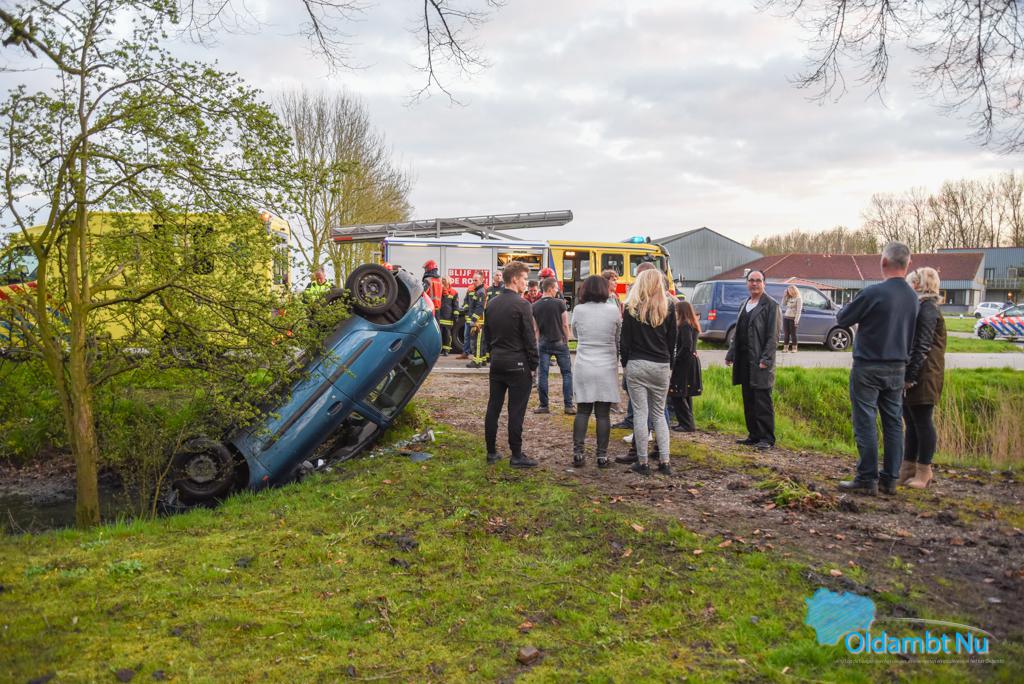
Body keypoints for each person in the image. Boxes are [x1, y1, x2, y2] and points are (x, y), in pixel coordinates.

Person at [836, 242, 919, 496]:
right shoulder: (912, 297)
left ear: (883, 262)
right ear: (908, 264)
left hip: (869, 365)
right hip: (898, 367)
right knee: (894, 423)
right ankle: (890, 479)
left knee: (866, 421)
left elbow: (843, 318)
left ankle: (867, 478)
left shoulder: (873, 293)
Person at [618, 268, 675, 476]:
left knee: (640, 414)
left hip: (637, 364)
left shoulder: (631, 308)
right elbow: (673, 341)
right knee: (659, 414)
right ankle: (665, 461)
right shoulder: (668, 307)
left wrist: (625, 364)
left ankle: (642, 462)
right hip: (661, 365)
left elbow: (624, 341)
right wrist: (670, 366)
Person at [483, 261, 539, 467]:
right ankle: (516, 455)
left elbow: (487, 334)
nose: (526, 282)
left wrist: (493, 354)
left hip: (497, 361)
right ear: (514, 279)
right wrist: (533, 364)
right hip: (518, 363)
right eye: (524, 278)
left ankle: (491, 452)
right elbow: (529, 338)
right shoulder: (522, 304)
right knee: (516, 411)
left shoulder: (492, 303)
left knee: (493, 407)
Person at [899, 267, 946, 489]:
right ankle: (907, 469)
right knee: (911, 422)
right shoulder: (923, 307)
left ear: (918, 284)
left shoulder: (928, 309)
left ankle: (924, 472)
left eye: (910, 283)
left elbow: (922, 346)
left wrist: (910, 376)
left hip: (925, 374)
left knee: (922, 422)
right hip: (920, 372)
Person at [725, 270, 780, 451]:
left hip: (760, 361)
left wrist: (766, 359)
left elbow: (773, 337)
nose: (754, 283)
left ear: (764, 283)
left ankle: (767, 438)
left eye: (758, 280)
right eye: (751, 280)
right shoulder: (744, 304)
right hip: (744, 361)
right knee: (748, 399)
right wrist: (731, 354)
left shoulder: (771, 305)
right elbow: (738, 333)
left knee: (762, 400)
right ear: (747, 283)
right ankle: (754, 435)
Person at [570, 275, 621, 468]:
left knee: (582, 411)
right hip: (606, 365)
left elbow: (575, 334)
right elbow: (618, 336)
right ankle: (602, 456)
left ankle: (578, 453)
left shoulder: (579, 310)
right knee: (603, 414)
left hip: (584, 363)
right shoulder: (613, 310)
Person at [532, 277, 575, 415]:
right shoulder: (560, 303)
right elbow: (565, 324)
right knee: (566, 374)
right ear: (550, 289)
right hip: (559, 341)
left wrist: (538, 343)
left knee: (543, 375)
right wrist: (567, 340)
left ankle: (544, 405)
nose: (557, 290)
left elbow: (536, 329)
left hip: (543, 343)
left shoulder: (534, 306)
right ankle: (568, 405)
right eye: (556, 288)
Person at [669, 300, 701, 433]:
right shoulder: (692, 324)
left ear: (681, 311)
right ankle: (687, 422)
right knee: (685, 393)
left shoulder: (685, 325)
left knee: (677, 392)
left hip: (684, 363)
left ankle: (686, 424)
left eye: (677, 311)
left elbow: (687, 345)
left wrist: (676, 358)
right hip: (690, 361)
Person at [464, 272, 488, 367]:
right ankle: (483, 360)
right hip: (478, 320)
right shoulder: (478, 290)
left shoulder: (480, 292)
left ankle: (476, 362)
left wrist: (473, 320)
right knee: (480, 341)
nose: (474, 282)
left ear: (482, 280)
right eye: (473, 280)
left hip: (478, 322)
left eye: (476, 280)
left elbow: (479, 308)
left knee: (477, 342)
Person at [438, 277, 458, 355]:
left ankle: (446, 350)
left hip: (448, 317)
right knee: (439, 334)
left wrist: (456, 315)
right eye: (442, 281)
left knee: (447, 334)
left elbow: (455, 305)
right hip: (439, 315)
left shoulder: (453, 292)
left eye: (444, 281)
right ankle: (440, 349)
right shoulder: (439, 291)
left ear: (448, 282)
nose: (443, 282)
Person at [781, 285, 803, 353]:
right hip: (786, 317)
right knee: (786, 333)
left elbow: (799, 311)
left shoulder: (798, 298)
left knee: (793, 334)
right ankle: (785, 348)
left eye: (790, 290)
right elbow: (783, 304)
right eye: (788, 291)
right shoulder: (789, 297)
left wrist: (796, 320)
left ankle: (794, 348)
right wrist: (784, 296)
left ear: (794, 290)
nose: (789, 292)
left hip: (793, 318)